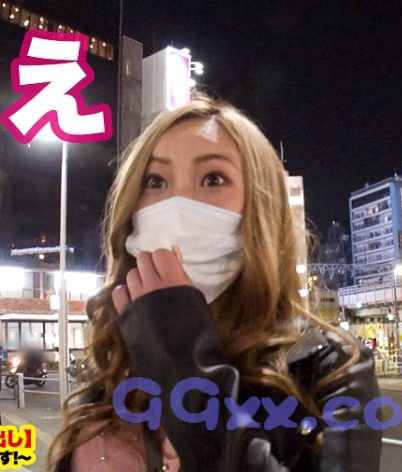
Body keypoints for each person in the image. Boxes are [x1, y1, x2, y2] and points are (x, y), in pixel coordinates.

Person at [48, 93, 381, 471]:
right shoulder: (119, 354)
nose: (177, 204)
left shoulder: (331, 367)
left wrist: (185, 362)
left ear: (260, 207)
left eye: (213, 178)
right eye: (155, 181)